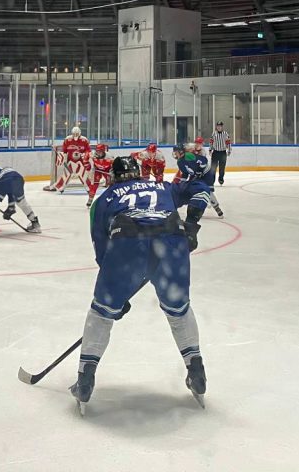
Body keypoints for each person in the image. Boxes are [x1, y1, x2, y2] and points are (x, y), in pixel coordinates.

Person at [70, 156, 207, 413]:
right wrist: (191, 224)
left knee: (101, 313)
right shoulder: (162, 187)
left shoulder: (103, 200)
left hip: (127, 244)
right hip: (172, 242)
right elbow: (201, 190)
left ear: (112, 176)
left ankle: (84, 378)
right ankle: (196, 371)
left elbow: (102, 251)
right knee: (179, 311)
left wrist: (115, 296)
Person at [172, 145, 223, 218]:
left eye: (176, 152)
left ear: (180, 152)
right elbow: (185, 173)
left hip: (206, 174)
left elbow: (204, 160)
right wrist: (182, 182)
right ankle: (199, 209)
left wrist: (200, 169)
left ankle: (217, 207)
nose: (175, 154)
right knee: (197, 190)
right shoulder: (180, 162)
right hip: (197, 175)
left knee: (208, 190)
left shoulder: (188, 156)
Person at [52, 126, 91, 193]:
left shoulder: (84, 140)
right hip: (70, 161)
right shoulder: (67, 139)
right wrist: (63, 159)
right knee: (66, 174)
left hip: (81, 161)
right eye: (74, 134)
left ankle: (89, 188)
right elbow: (64, 151)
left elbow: (88, 150)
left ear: (80, 133)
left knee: (83, 174)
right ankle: (61, 187)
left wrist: (85, 156)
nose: (75, 135)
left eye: (77, 134)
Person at [87, 143, 113, 208]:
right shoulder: (92, 155)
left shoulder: (109, 157)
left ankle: (111, 200)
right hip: (97, 170)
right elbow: (90, 163)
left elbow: (113, 166)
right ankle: (90, 199)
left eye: (100, 151)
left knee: (111, 185)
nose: (98, 153)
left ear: (103, 151)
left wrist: (112, 173)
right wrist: (90, 169)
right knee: (94, 185)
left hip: (107, 171)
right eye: (97, 151)